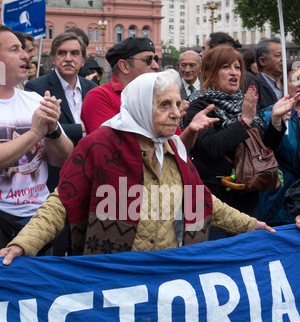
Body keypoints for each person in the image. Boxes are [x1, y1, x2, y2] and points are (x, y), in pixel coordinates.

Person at [0, 69, 275, 265]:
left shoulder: (173, 148)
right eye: (164, 105)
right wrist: (23, 244)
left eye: (177, 104)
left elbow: (202, 201)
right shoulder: (101, 146)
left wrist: (251, 225)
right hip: (114, 274)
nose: (176, 113)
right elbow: (61, 202)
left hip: (164, 271)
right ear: (141, 107)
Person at [182, 45, 298, 238]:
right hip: (215, 199)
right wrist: (243, 120)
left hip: (250, 199)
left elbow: (264, 149)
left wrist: (276, 121)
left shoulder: (244, 102)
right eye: (226, 67)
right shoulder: (199, 105)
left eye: (237, 67)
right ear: (209, 72)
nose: (234, 72)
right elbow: (212, 147)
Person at [0, 25, 73, 250]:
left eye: (24, 49)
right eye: (14, 50)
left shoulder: (34, 99)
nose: (25, 55)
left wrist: (53, 131)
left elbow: (64, 160)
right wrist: (35, 133)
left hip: (40, 219)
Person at [25, 31, 97, 191]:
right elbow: (41, 130)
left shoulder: (92, 88)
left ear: (83, 60)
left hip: (90, 171)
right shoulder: (36, 88)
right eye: (62, 53)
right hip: (56, 176)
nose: (68, 58)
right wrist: (83, 128)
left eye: (74, 53)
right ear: (53, 58)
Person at [81, 36, 160, 135]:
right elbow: (110, 144)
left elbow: (176, 144)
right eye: (148, 59)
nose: (156, 66)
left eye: (155, 59)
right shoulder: (99, 97)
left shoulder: (155, 95)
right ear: (124, 66)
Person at [259, 61, 300, 226]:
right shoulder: (269, 115)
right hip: (278, 205)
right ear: (281, 85)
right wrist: (277, 122)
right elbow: (264, 151)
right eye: (295, 79)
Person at [255, 37, 283, 110]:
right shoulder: (255, 87)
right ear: (262, 61)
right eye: (278, 55)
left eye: (284, 55)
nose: (283, 59)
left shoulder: (289, 83)